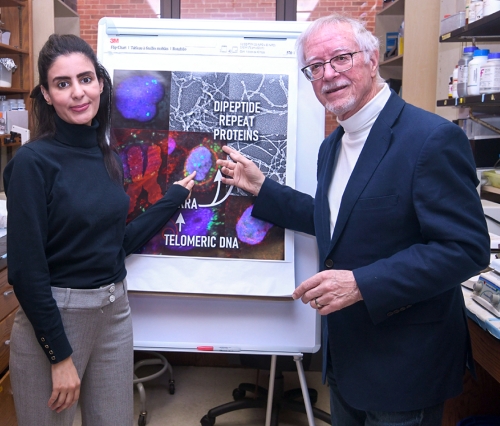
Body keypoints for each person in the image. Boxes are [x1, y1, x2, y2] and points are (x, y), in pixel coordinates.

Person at [217, 14, 490, 426]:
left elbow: (466, 249)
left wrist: (362, 283)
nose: (328, 74)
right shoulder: (333, 145)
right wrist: (263, 188)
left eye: (341, 58)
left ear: (373, 57)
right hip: (346, 361)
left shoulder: (430, 139)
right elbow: (337, 221)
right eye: (315, 67)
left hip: (405, 368)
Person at [3, 34, 196, 426]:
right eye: (63, 83)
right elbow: (26, 270)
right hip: (55, 316)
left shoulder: (105, 155)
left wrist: (171, 199)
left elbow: (114, 245)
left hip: (114, 312)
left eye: (86, 79)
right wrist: (59, 356)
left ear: (100, 83)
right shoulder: (32, 163)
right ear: (46, 93)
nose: (78, 93)